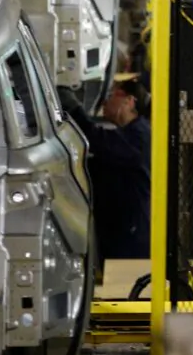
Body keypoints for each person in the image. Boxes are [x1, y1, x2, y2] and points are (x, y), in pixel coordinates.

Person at [60, 79, 151, 261]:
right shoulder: (131, 134)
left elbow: (96, 139)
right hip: (121, 232)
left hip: (129, 237)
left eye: (111, 96)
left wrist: (73, 107)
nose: (105, 102)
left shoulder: (139, 136)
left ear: (129, 101)